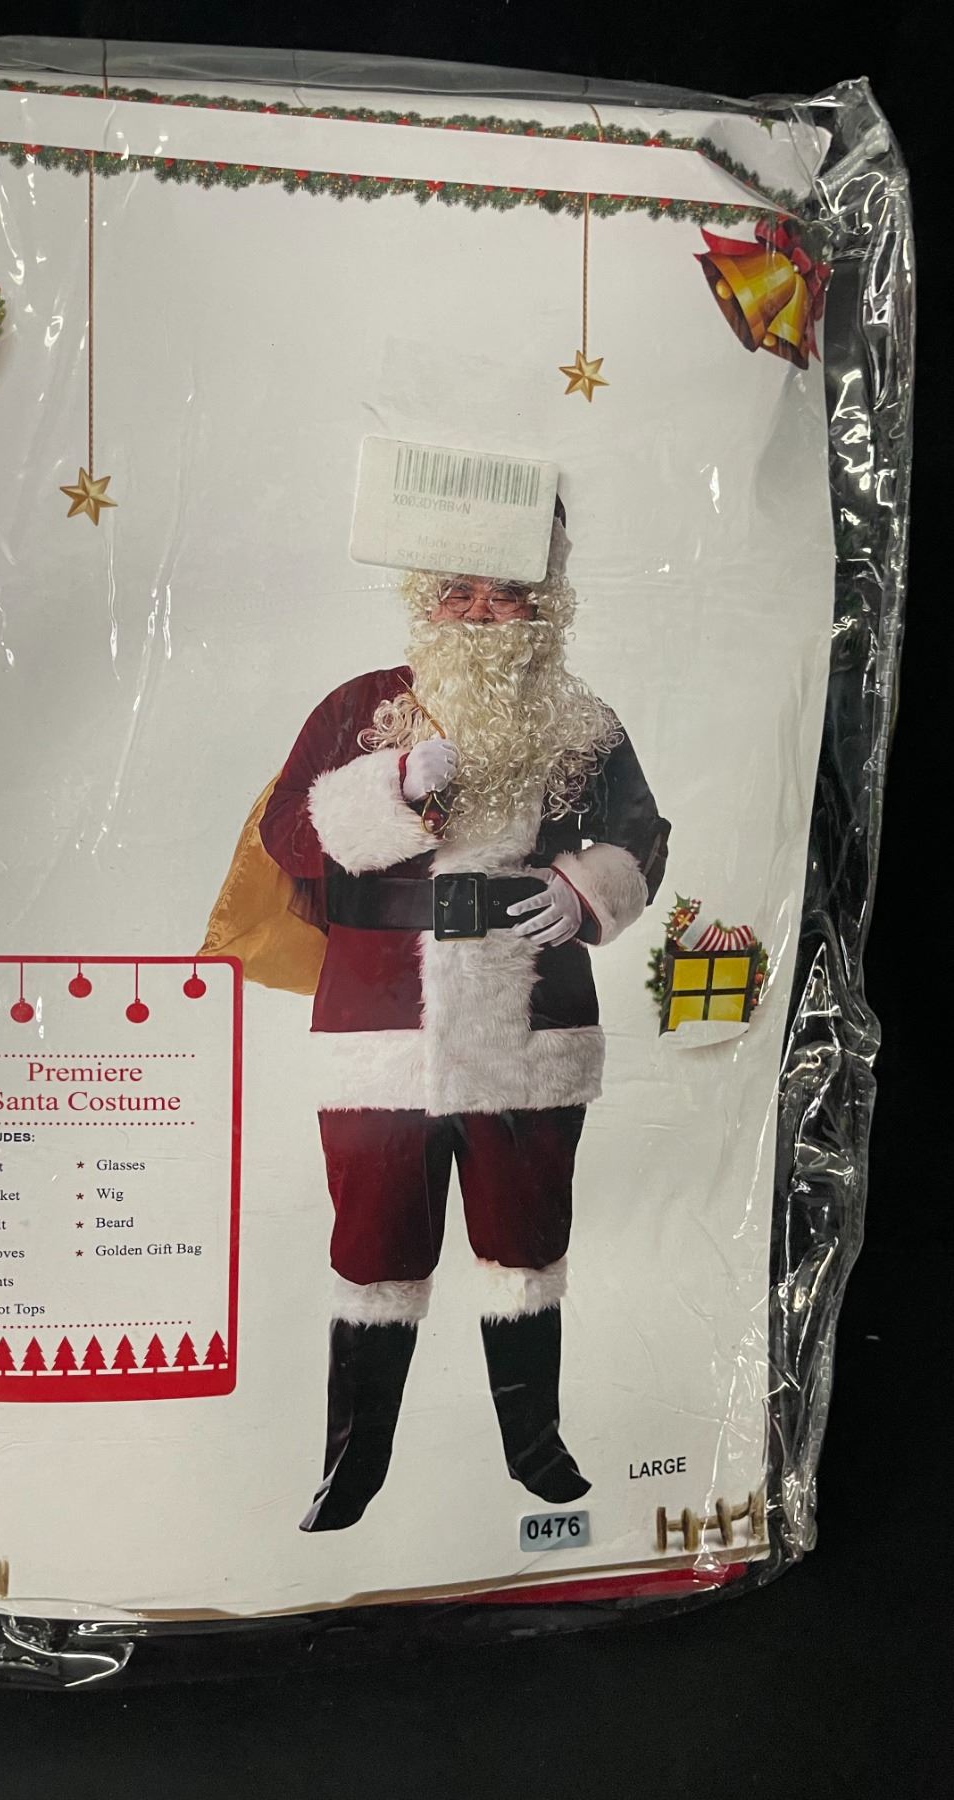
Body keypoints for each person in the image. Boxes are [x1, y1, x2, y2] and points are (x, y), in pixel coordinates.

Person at [257, 500, 670, 1529]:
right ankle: (352, 1468)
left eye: (507, 595)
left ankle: (537, 1451)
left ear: (544, 608)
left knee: (527, 1247)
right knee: (374, 1250)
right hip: (380, 1032)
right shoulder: (362, 707)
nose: (482, 614)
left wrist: (586, 889)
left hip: (533, 1031)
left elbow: (642, 833)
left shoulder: (584, 723)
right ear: (426, 602)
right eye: (460, 594)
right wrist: (389, 787)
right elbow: (286, 831)